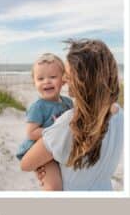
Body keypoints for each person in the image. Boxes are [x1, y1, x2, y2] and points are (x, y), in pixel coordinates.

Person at [20, 39, 123, 191]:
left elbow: (26, 163)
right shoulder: (120, 114)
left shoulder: (71, 122)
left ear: (83, 80)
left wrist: (41, 165)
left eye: (68, 74)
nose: (65, 80)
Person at [16, 53, 73, 190]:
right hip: (39, 150)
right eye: (40, 78)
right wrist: (56, 131)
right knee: (54, 186)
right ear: (34, 82)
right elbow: (31, 133)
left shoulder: (68, 103)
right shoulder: (38, 107)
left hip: (58, 148)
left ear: (63, 79)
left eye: (53, 77)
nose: (46, 81)